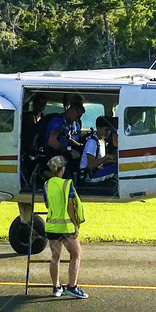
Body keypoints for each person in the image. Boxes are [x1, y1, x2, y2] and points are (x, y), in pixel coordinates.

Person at [43, 154, 87, 298]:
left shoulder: (46, 185)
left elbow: (47, 204)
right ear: (62, 169)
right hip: (66, 228)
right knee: (76, 255)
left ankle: (56, 288)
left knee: (55, 256)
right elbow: (70, 206)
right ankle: (72, 286)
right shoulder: (67, 184)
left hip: (51, 227)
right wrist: (76, 225)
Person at [42, 99, 86, 172]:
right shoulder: (57, 121)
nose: (77, 119)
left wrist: (80, 146)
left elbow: (67, 138)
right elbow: (52, 142)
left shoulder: (67, 123)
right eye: (77, 116)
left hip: (61, 151)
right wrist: (68, 151)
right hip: (52, 152)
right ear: (72, 111)